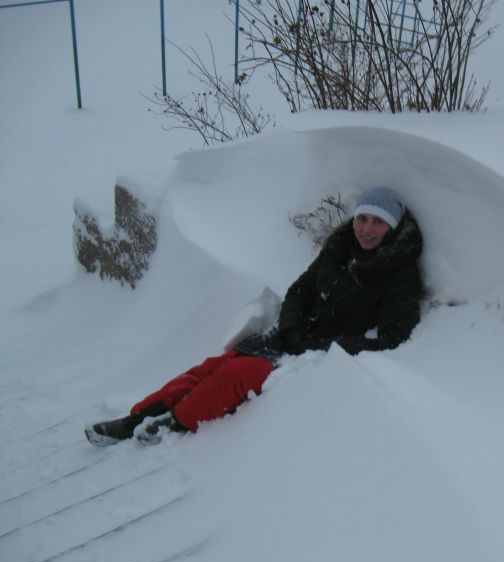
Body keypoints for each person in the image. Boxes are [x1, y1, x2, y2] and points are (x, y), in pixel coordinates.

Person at [85, 187, 424, 446]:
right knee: (211, 367)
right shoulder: (340, 249)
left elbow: (392, 337)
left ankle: (174, 423)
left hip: (316, 357)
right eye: (363, 219)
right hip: (289, 337)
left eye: (378, 222)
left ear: (392, 227)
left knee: (236, 374)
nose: (366, 229)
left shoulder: (399, 275)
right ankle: (135, 419)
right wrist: (290, 326)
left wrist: (327, 345)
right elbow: (299, 291)